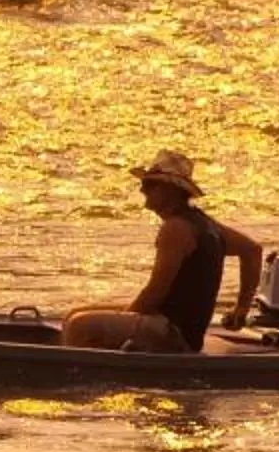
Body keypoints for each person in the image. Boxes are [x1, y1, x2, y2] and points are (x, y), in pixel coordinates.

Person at [59, 150, 266, 352]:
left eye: (150, 185)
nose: (142, 191)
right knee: (74, 314)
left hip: (172, 333)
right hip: (183, 329)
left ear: (171, 190)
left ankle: (84, 374)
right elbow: (252, 250)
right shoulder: (204, 224)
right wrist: (242, 308)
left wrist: (128, 319)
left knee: (79, 325)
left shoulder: (176, 229)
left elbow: (155, 293)